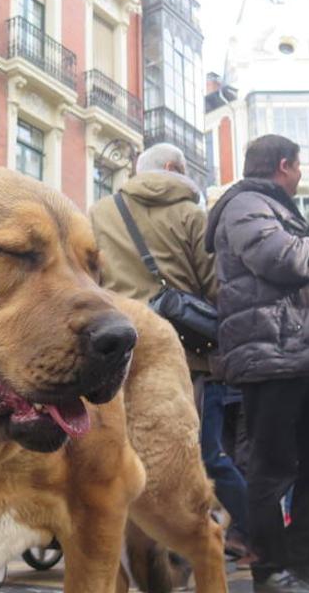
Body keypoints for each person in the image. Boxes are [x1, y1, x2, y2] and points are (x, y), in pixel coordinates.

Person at [206, 134, 309, 593]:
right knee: (272, 467)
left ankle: (302, 562)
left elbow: (289, 278)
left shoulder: (274, 209)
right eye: (299, 167)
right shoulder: (246, 205)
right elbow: (281, 259)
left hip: (299, 355)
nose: (301, 176)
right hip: (270, 358)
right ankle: (270, 570)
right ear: (284, 164)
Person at [88, 142, 252, 566]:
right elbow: (215, 286)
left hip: (119, 346)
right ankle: (258, 535)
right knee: (201, 451)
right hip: (185, 352)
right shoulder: (192, 215)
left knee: (129, 447)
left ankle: (153, 544)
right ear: (176, 169)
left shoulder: (101, 212)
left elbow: (89, 276)